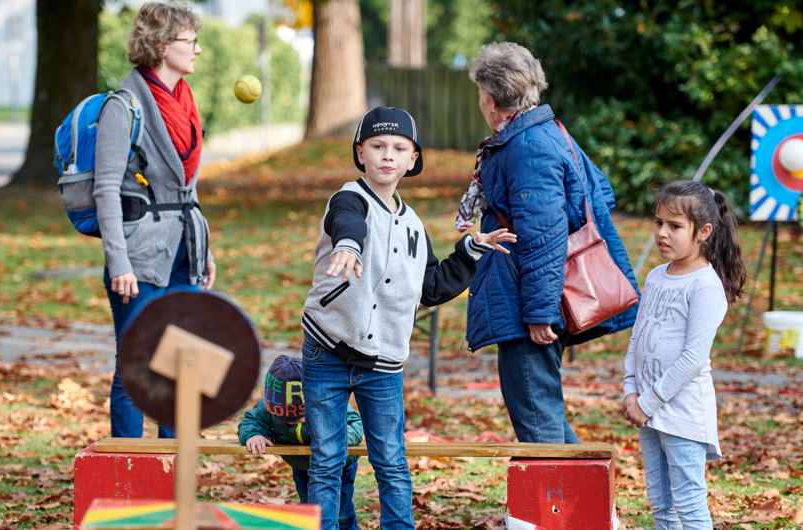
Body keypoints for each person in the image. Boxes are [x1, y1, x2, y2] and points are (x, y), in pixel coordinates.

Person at [301, 106, 516, 530]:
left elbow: (430, 287)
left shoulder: (414, 225)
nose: (387, 155)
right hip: (327, 351)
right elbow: (348, 222)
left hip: (383, 364)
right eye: (377, 146)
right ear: (360, 152)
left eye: (399, 148)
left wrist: (469, 252)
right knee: (327, 459)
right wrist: (347, 246)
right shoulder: (349, 199)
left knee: (391, 461)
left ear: (412, 159)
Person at [457, 42, 640, 444]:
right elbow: (600, 195)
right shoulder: (547, 132)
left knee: (539, 426)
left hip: (529, 305)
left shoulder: (527, 147)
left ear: (489, 99)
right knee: (542, 417)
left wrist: (539, 313)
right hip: (531, 295)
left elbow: (544, 235)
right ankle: (592, 506)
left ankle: (573, 507)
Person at [94, 2, 215, 438]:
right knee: (137, 364)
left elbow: (189, 187)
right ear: (163, 46)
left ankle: (171, 476)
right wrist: (119, 262)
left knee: (180, 364)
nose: (197, 50)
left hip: (184, 249)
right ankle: (127, 481)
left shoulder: (185, 103)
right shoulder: (123, 106)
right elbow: (105, 189)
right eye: (190, 41)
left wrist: (205, 250)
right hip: (140, 253)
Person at [622, 181, 745, 529]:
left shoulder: (706, 287)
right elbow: (638, 339)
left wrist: (648, 402)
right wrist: (632, 390)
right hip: (648, 409)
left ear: (703, 231)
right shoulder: (657, 276)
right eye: (659, 222)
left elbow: (692, 359)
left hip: (681, 414)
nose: (662, 233)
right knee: (661, 506)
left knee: (688, 505)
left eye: (675, 226)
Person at [238, 355, 363, 530]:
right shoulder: (270, 405)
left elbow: (355, 425)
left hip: (339, 467)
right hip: (302, 467)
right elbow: (252, 421)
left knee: (341, 513)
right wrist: (254, 434)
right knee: (311, 512)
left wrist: (328, 439)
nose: (291, 422)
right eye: (283, 419)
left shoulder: (328, 400)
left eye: (299, 418)